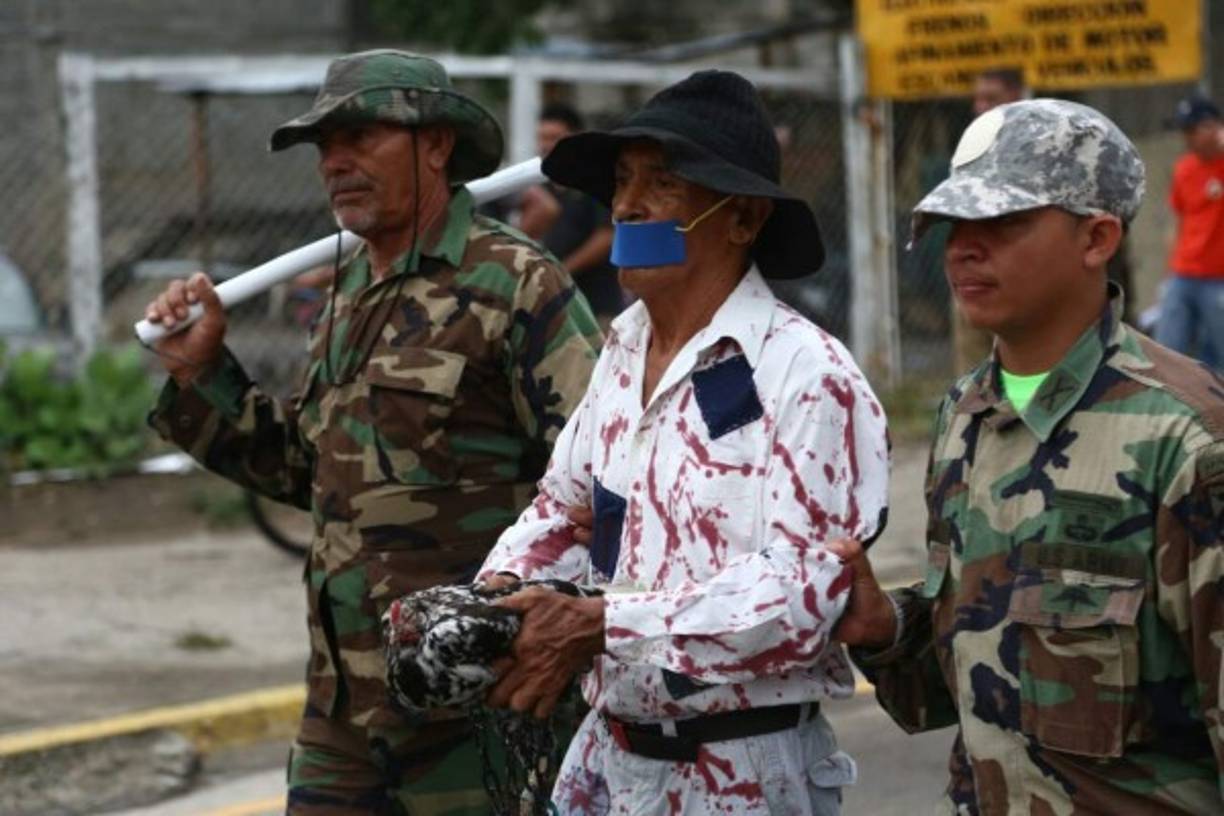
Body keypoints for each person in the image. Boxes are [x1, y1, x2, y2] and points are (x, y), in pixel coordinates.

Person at [142, 50, 601, 814]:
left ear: (436, 145)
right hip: (343, 714)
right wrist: (203, 375)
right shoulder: (349, 291)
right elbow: (314, 473)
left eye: (360, 136)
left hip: (474, 711)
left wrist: (562, 631)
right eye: (324, 145)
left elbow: (598, 484)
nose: (336, 162)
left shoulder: (515, 282)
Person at [476, 70, 891, 814]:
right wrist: (498, 601)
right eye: (623, 183)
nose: (628, 205)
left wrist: (603, 623)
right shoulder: (622, 353)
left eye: (661, 183)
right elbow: (562, 511)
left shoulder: (806, 375)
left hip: (742, 773)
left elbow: (800, 600)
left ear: (743, 219)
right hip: (607, 755)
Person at [832, 99, 1224, 814]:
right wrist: (884, 627)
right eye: (956, 224)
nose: (963, 248)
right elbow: (978, 668)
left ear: (1097, 238)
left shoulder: (1186, 438)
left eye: (1002, 223)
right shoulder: (965, 415)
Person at [949, 67, 1030, 375]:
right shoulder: (970, 146)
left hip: (1018, 268)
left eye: (990, 98)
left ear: (1015, 96)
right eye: (978, 99)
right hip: (973, 267)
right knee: (972, 356)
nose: (981, 107)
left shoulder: (1038, 146)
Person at [519, 103, 623, 322]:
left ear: (575, 138)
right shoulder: (540, 189)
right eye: (542, 137)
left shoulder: (594, 182)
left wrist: (560, 270)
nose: (546, 145)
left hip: (596, 307)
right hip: (557, 309)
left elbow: (606, 237)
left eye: (554, 137)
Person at [1155, 94, 1224, 370]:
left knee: (1218, 354)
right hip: (1183, 274)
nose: (1187, 138)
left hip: (1219, 278)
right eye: (1185, 131)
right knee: (1168, 352)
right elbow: (1178, 218)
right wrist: (1169, 270)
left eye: (1193, 130)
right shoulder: (1185, 168)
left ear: (1213, 127)